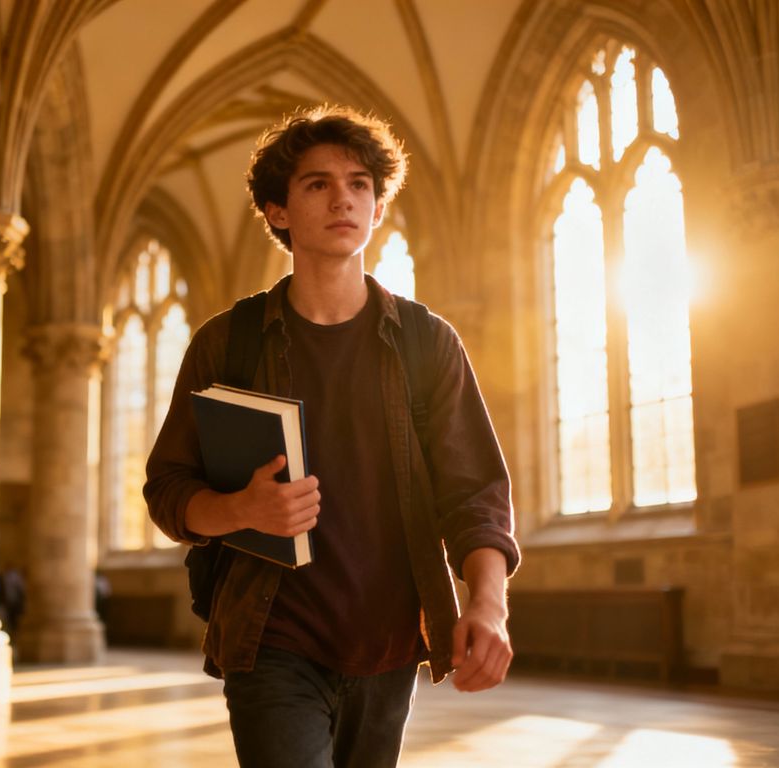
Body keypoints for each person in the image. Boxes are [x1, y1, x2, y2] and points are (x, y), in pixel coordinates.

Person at [144, 104, 519, 768]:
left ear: (377, 208)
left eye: (359, 184)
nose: (343, 197)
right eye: (317, 184)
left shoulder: (428, 344)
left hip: (389, 646)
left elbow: (477, 497)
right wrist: (240, 511)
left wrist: (488, 606)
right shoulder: (226, 343)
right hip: (270, 642)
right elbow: (168, 491)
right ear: (278, 212)